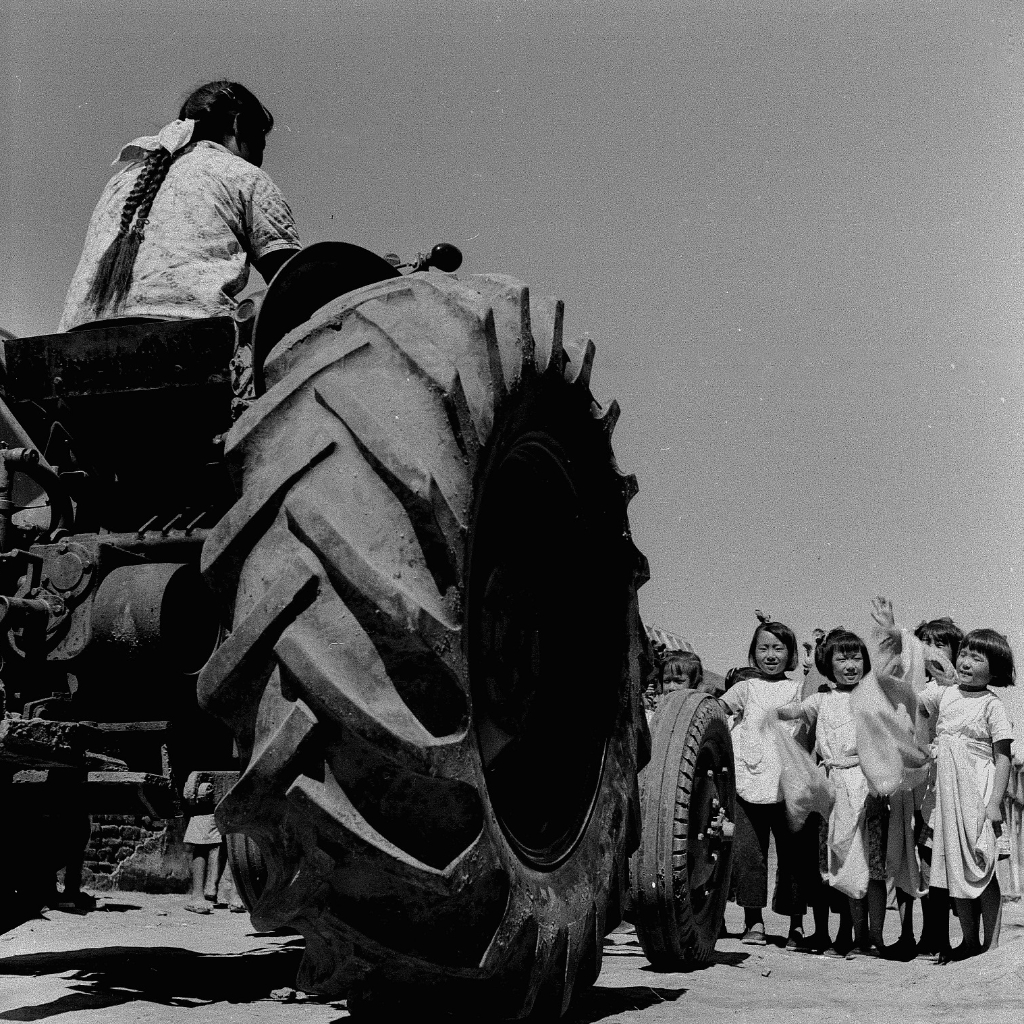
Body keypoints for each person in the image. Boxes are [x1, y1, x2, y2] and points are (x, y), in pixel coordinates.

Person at [59, 80, 300, 333]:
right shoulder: (244, 175)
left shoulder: (121, 180)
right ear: (239, 126)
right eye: (260, 141)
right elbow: (291, 279)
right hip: (190, 334)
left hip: (75, 335)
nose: (260, 157)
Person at [778, 627, 885, 956]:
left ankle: (863, 936)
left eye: (857, 657)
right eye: (843, 658)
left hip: (863, 782)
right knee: (837, 861)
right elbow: (795, 712)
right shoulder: (820, 699)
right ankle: (845, 934)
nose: (851, 665)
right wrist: (767, 715)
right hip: (831, 785)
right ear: (828, 663)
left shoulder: (869, 699)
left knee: (864, 859)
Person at [869, 598, 965, 960]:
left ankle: (935, 936)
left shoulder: (960, 692)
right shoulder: (908, 686)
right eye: (929, 644)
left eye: (943, 645)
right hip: (906, 787)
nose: (934, 651)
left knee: (932, 862)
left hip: (943, 791)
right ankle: (909, 934)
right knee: (903, 858)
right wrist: (890, 629)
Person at [916, 628, 1014, 960]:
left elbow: (1003, 756)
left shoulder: (992, 704)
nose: (966, 661)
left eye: (977, 657)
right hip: (945, 794)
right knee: (951, 869)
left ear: (996, 670)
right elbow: (915, 704)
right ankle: (969, 941)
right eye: (964, 653)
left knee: (983, 868)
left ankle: (993, 944)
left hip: (978, 794)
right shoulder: (943, 694)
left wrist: (994, 803)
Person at [720, 615, 807, 947]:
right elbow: (716, 709)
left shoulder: (798, 689)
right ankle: (753, 921)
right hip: (748, 782)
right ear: (753, 653)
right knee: (749, 855)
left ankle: (796, 925)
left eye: (778, 648)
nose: (771, 655)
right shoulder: (745, 687)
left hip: (790, 785)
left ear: (790, 654)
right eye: (763, 648)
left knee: (793, 858)